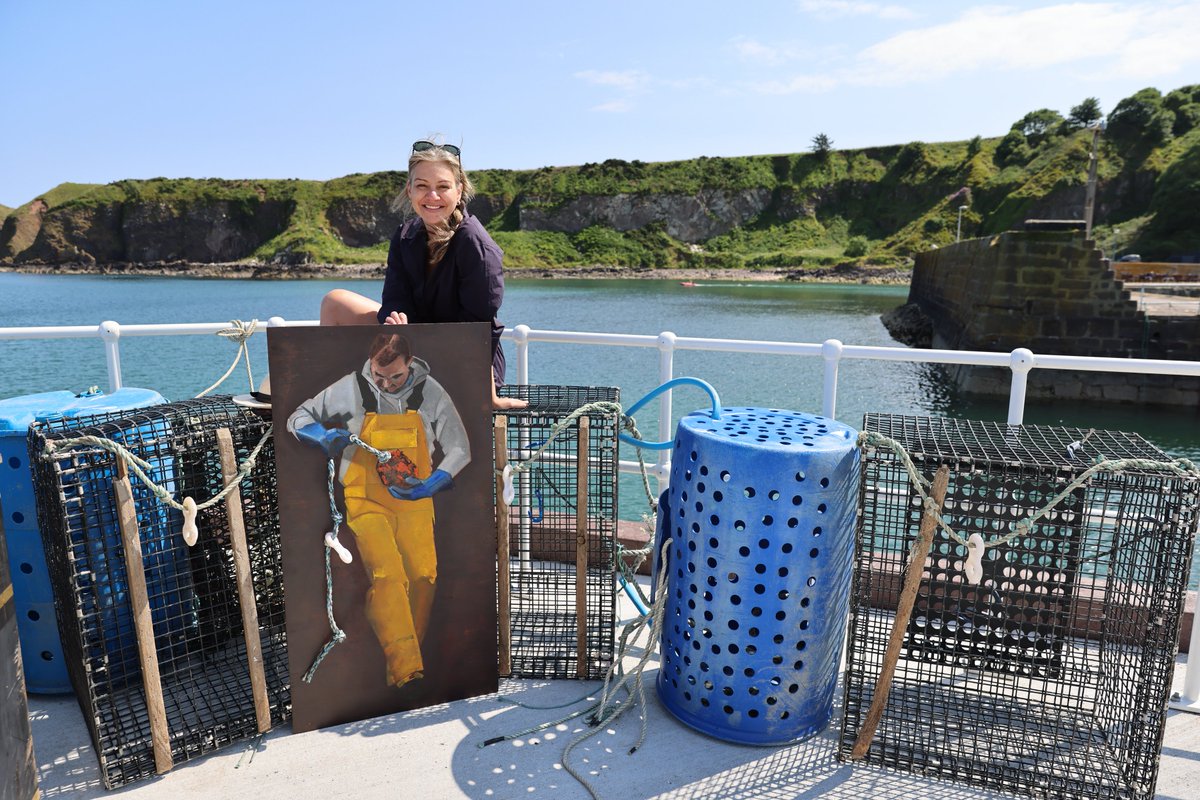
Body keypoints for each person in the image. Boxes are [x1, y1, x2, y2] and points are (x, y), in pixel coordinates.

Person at [287, 331, 469, 689]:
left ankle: (402, 659)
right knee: (389, 577)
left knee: (424, 577)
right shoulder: (352, 386)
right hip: (364, 498)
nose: (385, 383)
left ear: (410, 365)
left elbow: (460, 448)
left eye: (395, 377)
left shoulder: (431, 392)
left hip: (415, 498)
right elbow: (296, 418)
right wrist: (321, 435)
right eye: (378, 375)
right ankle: (406, 672)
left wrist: (430, 485)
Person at [320, 139, 525, 410]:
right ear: (410, 190)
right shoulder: (406, 235)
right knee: (335, 302)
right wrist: (395, 317)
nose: (432, 197)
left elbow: (481, 330)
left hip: (461, 358)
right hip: (412, 342)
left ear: (459, 190)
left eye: (443, 187)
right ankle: (331, 397)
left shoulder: (476, 246)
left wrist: (488, 396)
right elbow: (395, 296)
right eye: (422, 186)